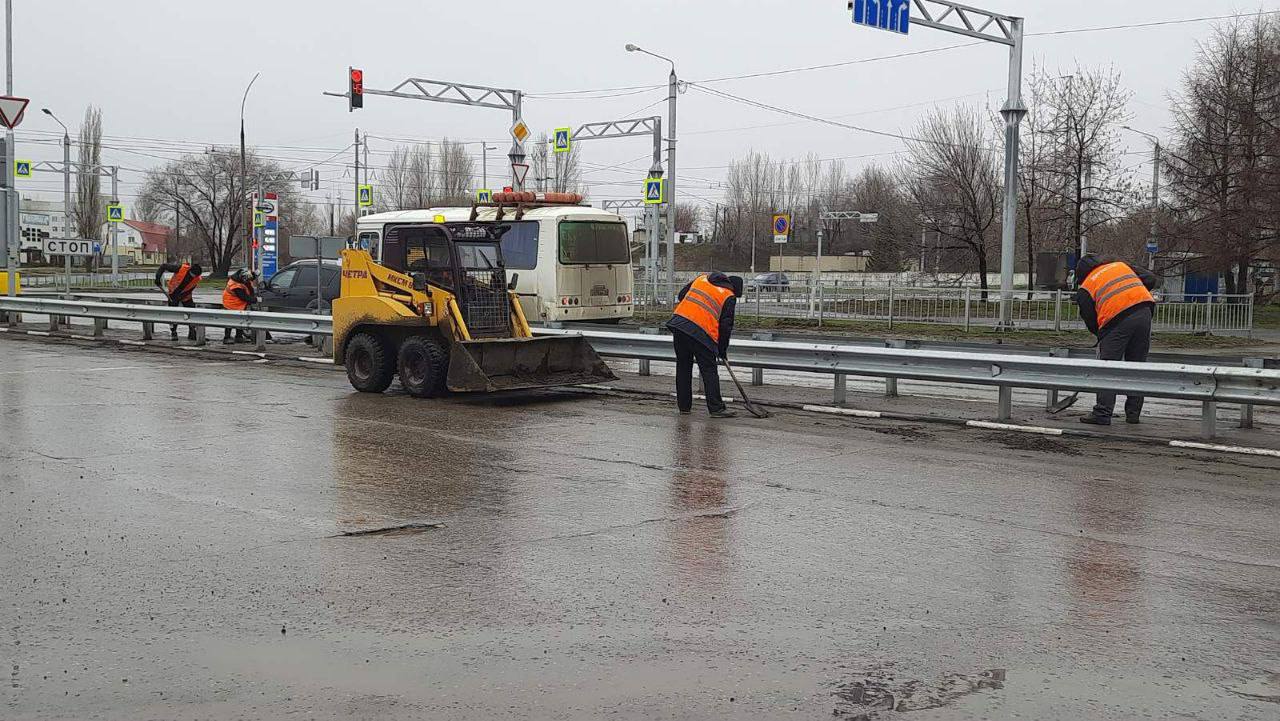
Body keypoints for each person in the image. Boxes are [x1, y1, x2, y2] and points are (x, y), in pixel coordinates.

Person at [1075, 255, 1159, 426]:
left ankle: (1102, 413)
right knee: (1136, 365)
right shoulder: (1120, 265)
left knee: (1107, 368)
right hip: (1144, 311)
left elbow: (1090, 318)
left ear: (1081, 275)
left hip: (1116, 319)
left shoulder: (1086, 286)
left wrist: (1101, 334)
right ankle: (1133, 414)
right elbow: (1150, 278)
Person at [667, 272, 744, 418]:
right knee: (709, 370)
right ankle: (716, 409)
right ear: (734, 288)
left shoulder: (702, 279)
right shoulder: (728, 296)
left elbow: (682, 295)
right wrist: (722, 350)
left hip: (679, 325)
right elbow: (725, 327)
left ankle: (684, 406)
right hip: (701, 333)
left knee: (683, 367)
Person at [155, 261, 203, 340]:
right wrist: (158, 278)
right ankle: (173, 332)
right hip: (173, 294)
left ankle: (192, 332)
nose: (194, 277)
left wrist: (180, 297)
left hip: (186, 295)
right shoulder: (180, 268)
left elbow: (189, 290)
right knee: (173, 315)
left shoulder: (197, 278)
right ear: (190, 271)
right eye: (193, 275)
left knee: (191, 312)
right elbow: (163, 266)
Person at [221, 268, 259, 344]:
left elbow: (249, 284)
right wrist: (255, 300)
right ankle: (227, 337)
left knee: (240, 321)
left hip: (238, 304)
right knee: (230, 321)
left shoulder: (242, 277)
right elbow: (244, 297)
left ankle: (239, 337)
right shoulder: (235, 285)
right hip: (231, 304)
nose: (249, 281)